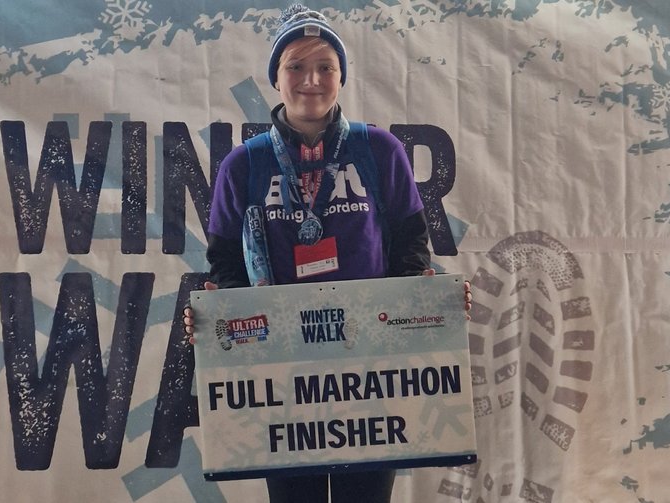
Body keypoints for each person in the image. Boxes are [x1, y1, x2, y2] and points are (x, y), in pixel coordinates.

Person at [184, 5, 471, 502]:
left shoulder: (379, 150)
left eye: (325, 67)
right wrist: (226, 322)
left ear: (342, 77)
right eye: (295, 65)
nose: (310, 79)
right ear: (276, 77)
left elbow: (410, 247)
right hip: (285, 374)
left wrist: (428, 309)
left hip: (371, 370)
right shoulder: (242, 166)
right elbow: (224, 263)